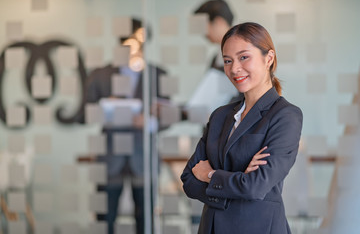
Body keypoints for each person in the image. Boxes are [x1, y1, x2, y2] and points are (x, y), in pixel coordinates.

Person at [181, 22, 303, 234]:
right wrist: (240, 181)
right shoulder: (220, 116)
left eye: (243, 57)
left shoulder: (285, 116)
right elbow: (189, 180)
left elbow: (255, 187)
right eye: (228, 61)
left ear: (269, 58)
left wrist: (211, 176)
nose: (234, 68)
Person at [85, 18, 168, 234]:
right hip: (110, 157)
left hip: (143, 157)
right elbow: (84, 113)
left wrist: (149, 121)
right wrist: (107, 108)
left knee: (145, 220)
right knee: (105, 219)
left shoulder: (157, 74)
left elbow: (170, 114)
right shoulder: (101, 75)